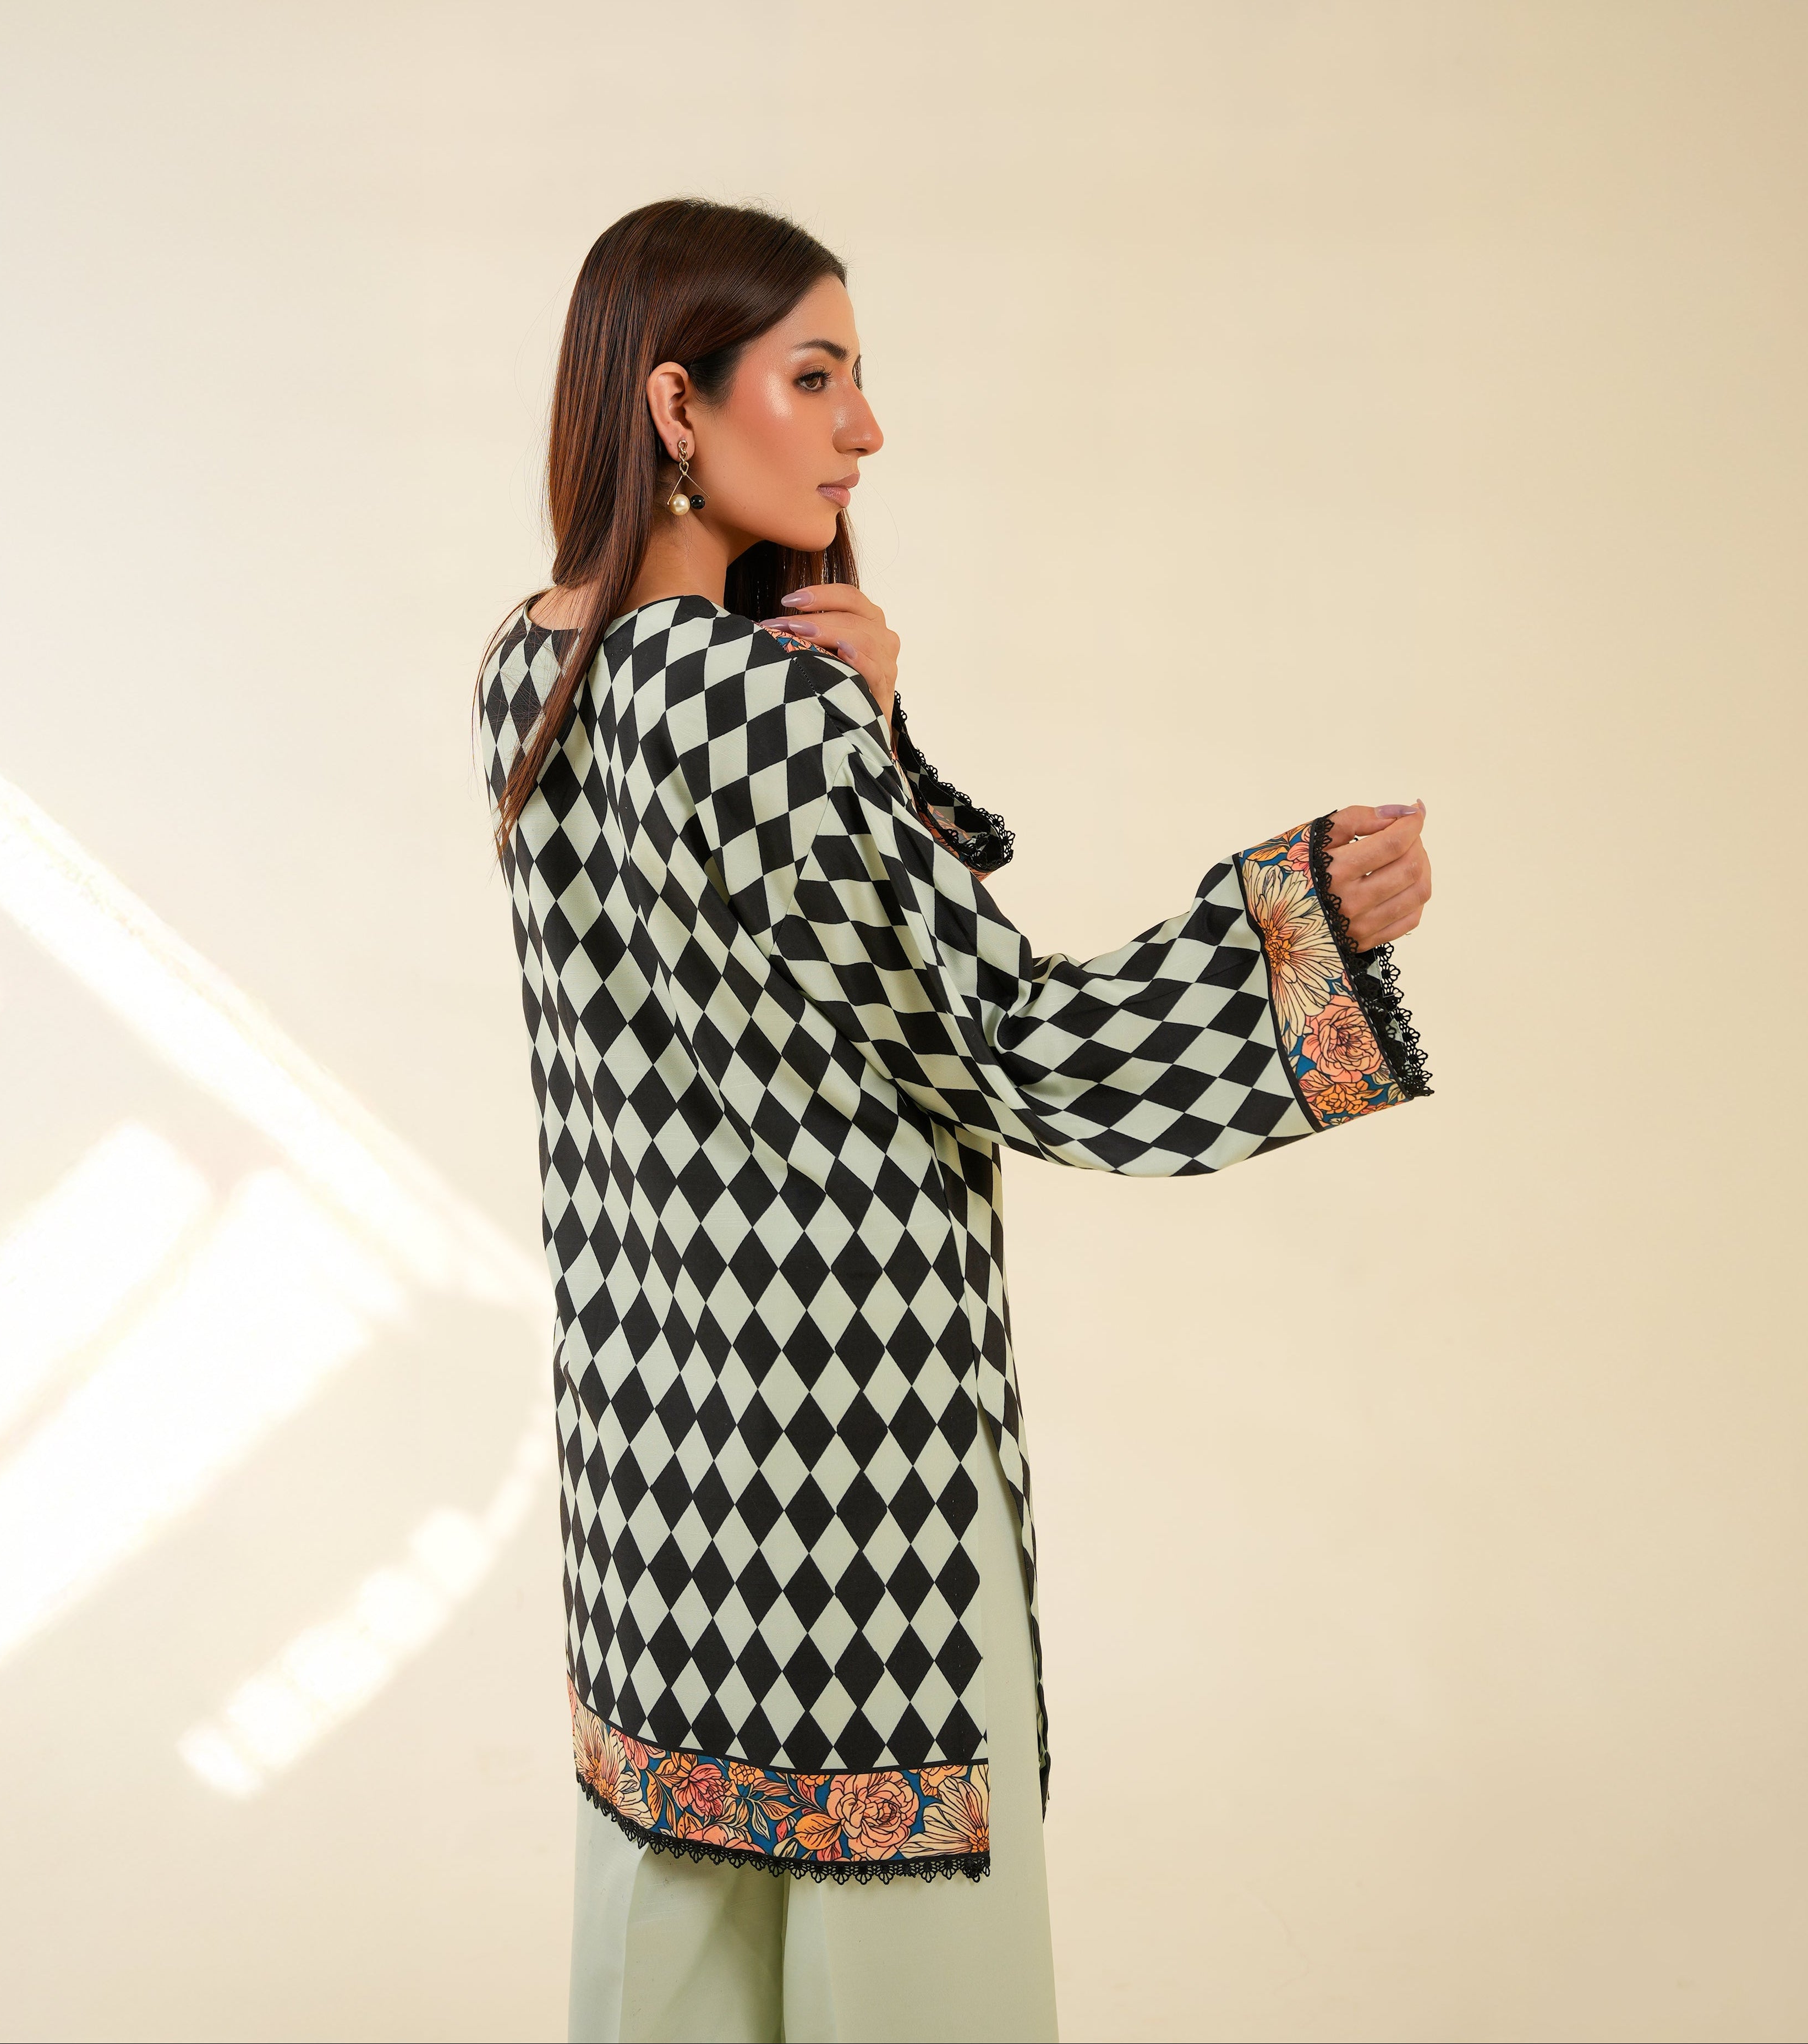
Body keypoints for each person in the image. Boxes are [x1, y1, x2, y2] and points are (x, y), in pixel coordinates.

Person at [476, 197, 1434, 2044]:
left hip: (652, 1453)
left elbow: (792, 974)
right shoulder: (764, 714)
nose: (863, 430)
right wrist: (1299, 925)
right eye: (815, 375)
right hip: (857, 1459)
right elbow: (1014, 1040)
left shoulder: (525, 670)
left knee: (664, 1946)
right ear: (676, 407)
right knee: (910, 1981)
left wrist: (872, 724)